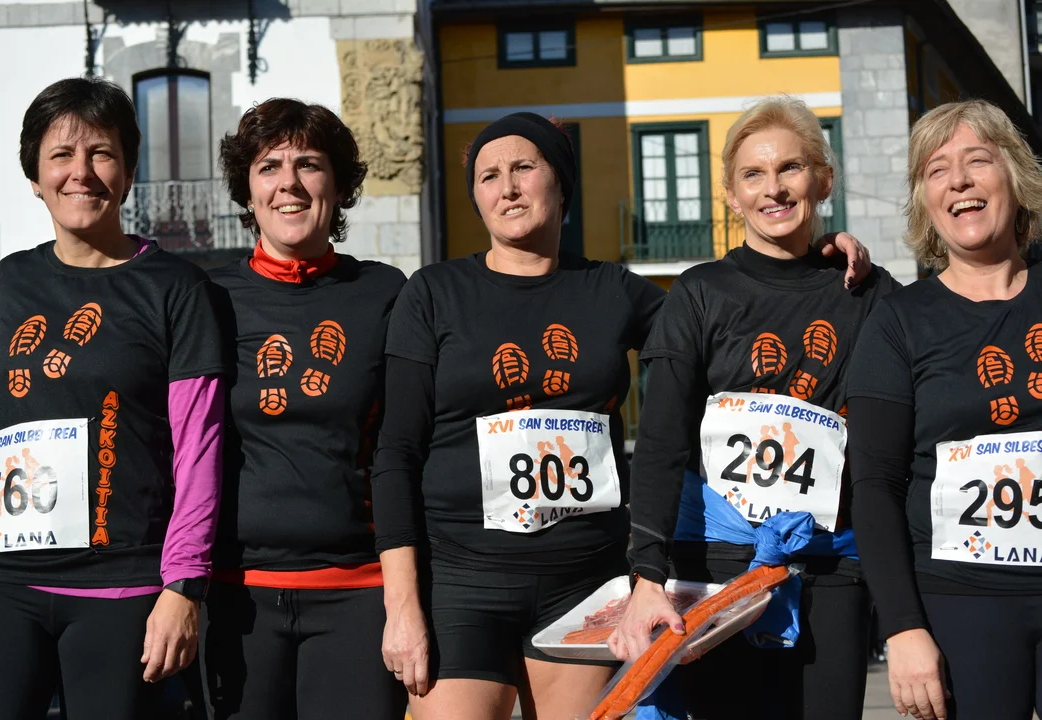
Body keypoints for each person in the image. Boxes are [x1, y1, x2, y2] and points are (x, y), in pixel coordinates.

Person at [370, 110, 870, 719]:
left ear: (561, 183)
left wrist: (813, 259)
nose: (508, 188)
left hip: (584, 582)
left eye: (525, 168)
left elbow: (737, 317)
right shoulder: (432, 292)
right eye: (489, 176)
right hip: (462, 579)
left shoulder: (615, 291)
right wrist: (402, 606)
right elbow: (395, 456)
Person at [612, 96, 898, 720]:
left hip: (831, 567)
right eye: (753, 174)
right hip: (713, 569)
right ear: (731, 194)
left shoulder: (869, 293)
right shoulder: (699, 292)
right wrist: (646, 577)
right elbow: (660, 444)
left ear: (823, 179)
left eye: (791, 168)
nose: (774, 188)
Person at [0, 77, 225, 720]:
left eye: (101, 153)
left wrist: (183, 586)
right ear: (34, 177)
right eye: (61, 155)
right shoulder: (6, 281)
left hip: (121, 585)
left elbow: (199, 448)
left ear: (129, 172)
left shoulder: (177, 289)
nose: (80, 172)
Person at [198, 97, 407, 720]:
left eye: (309, 164)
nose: (288, 182)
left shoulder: (384, 293)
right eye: (269, 167)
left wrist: (407, 601)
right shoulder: (209, 298)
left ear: (337, 187)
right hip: (237, 596)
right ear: (248, 190)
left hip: (358, 592)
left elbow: (404, 448)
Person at [847, 100, 1042, 720]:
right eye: (937, 170)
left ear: (1015, 176)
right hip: (960, 602)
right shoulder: (897, 324)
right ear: (925, 200)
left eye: (977, 161)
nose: (958, 180)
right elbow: (874, 486)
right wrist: (902, 629)